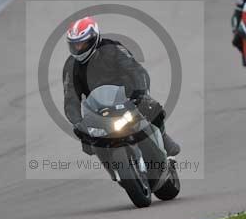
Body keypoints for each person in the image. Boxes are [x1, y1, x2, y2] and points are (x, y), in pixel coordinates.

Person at [62, 16, 180, 157]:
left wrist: (141, 94)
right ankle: (111, 164)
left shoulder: (113, 48)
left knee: (150, 106)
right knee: (88, 140)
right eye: (75, 45)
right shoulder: (70, 66)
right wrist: (78, 123)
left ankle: (163, 137)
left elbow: (136, 71)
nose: (78, 48)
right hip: (97, 108)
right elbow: (70, 98)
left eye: (82, 43)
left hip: (126, 97)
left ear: (94, 38)